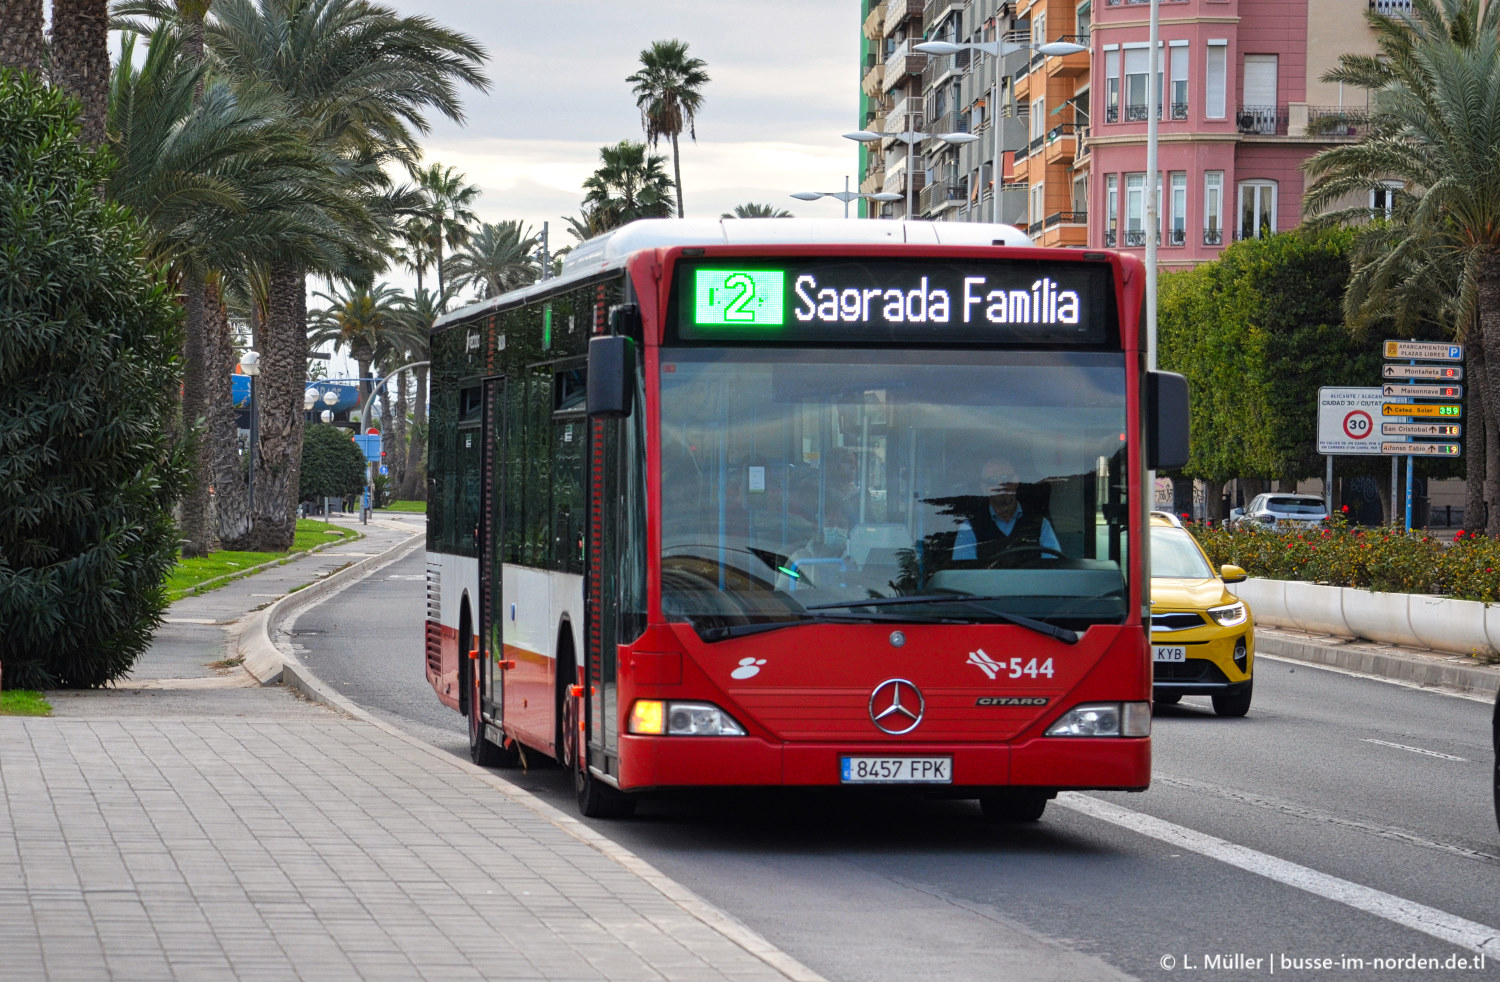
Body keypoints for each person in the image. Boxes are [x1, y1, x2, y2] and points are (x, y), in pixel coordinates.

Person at [952, 456, 1061, 563]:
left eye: (1006, 478)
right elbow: (964, 576)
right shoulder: (969, 528)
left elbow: (1053, 571)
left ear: (1016, 480)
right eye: (992, 481)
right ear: (984, 488)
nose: (1001, 484)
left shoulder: (1040, 524)